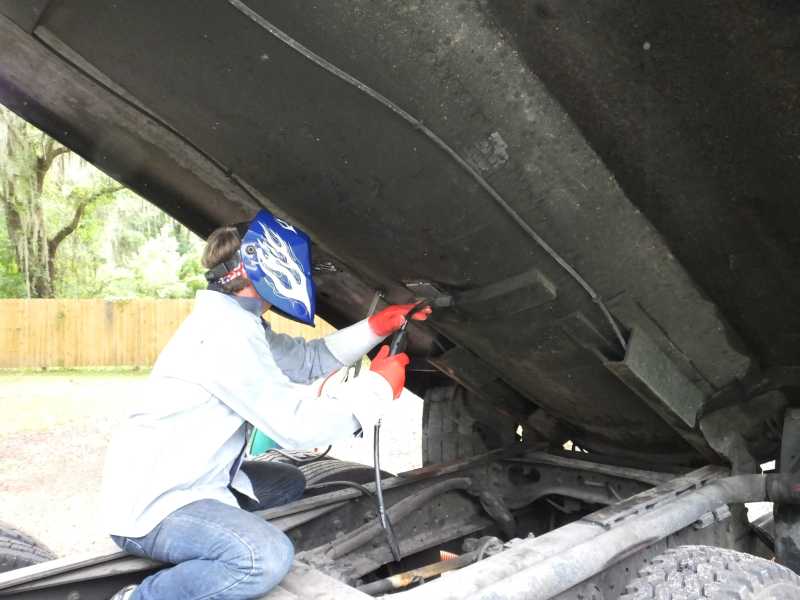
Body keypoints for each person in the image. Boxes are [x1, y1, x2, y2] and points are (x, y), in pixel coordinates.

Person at [104, 209, 431, 600]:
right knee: (264, 558)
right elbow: (296, 427)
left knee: (287, 483)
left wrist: (376, 327)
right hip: (157, 507)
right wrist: (377, 387)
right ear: (268, 267)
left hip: (189, 479)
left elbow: (307, 361)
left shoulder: (235, 322)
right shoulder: (224, 336)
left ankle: (220, 537)